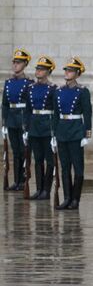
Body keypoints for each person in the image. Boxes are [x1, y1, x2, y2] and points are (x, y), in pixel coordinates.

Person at [53, 58, 93, 211]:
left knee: (78, 169)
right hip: (62, 131)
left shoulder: (82, 91)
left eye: (70, 71)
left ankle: (76, 199)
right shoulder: (59, 91)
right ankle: (67, 198)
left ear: (77, 74)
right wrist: (54, 134)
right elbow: (56, 114)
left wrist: (86, 134)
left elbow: (87, 113)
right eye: (66, 70)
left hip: (76, 131)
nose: (67, 73)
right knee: (64, 168)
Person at [25, 57, 57, 201]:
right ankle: (38, 189)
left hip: (47, 127)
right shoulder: (30, 88)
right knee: (37, 159)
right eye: (37, 69)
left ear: (48, 71)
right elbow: (27, 110)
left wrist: (55, 131)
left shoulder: (53, 89)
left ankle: (46, 190)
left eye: (41, 69)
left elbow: (56, 111)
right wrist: (26, 128)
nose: (38, 71)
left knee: (49, 160)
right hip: (34, 126)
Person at [2, 49, 33, 192]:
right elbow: (5, 104)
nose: (15, 65)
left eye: (18, 62)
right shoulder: (8, 83)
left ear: (25, 64)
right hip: (12, 120)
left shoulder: (29, 83)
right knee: (15, 152)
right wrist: (4, 122)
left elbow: (31, 106)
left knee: (23, 151)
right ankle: (16, 181)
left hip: (22, 119)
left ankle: (24, 180)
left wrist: (28, 123)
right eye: (14, 62)